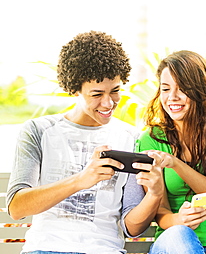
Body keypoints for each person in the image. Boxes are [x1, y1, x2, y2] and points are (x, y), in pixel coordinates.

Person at [6, 31, 164, 254]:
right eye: (96, 94)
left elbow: (132, 227)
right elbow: (16, 207)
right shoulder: (38, 131)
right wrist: (81, 180)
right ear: (74, 90)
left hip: (103, 249)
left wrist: (155, 194)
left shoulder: (131, 138)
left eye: (115, 91)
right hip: (45, 249)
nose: (108, 103)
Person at [135, 50, 206, 254]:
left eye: (182, 89)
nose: (172, 97)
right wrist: (179, 220)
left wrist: (176, 164)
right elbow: (160, 211)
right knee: (181, 236)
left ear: (200, 90)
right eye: (165, 89)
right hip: (175, 240)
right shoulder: (152, 139)